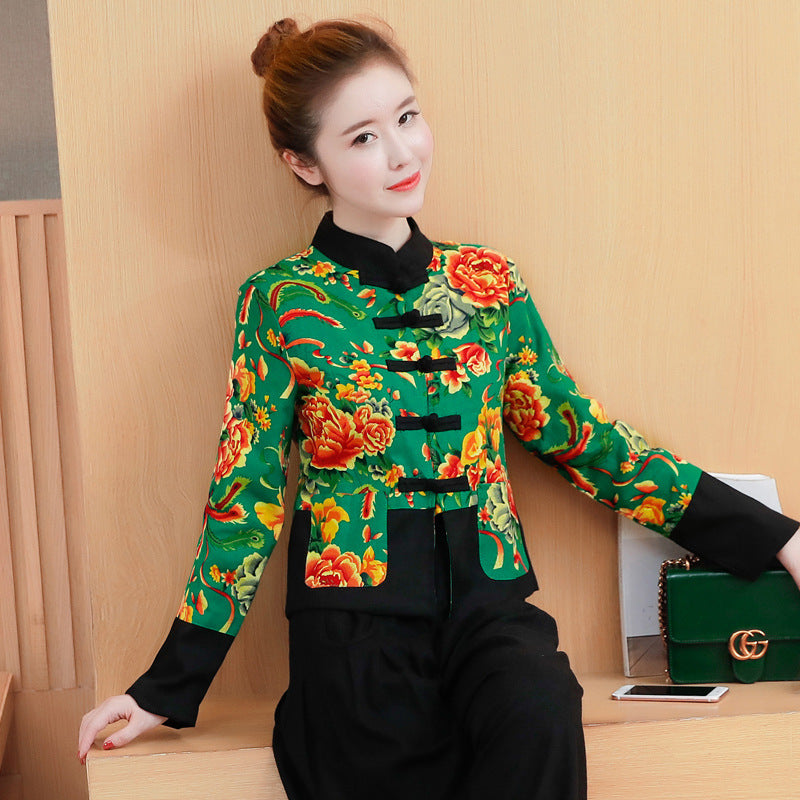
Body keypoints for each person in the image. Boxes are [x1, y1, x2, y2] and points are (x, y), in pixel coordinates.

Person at [77, 16, 800, 800]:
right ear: (304, 162)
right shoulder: (279, 301)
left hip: (490, 606)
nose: (402, 153)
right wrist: (167, 684)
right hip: (350, 620)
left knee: (539, 709)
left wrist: (776, 537)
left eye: (407, 117)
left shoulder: (488, 284)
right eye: (362, 137)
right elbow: (244, 493)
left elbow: (580, 437)